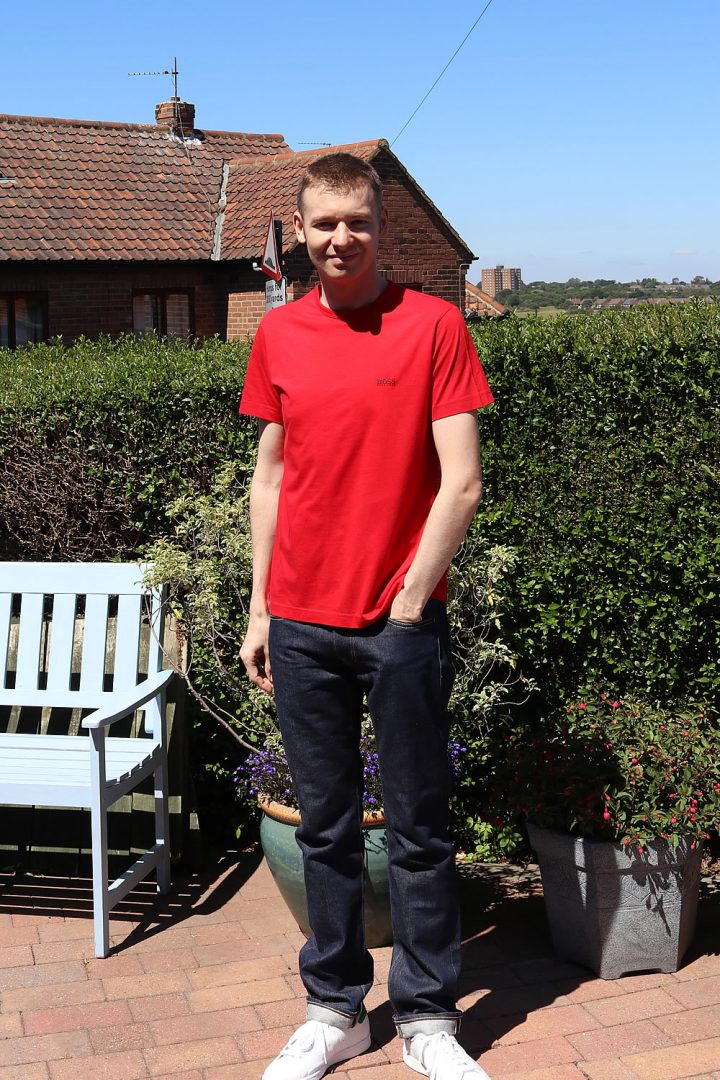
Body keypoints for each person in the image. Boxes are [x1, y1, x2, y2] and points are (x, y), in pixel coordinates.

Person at [239, 153, 494, 1080]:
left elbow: (460, 482)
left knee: (421, 826)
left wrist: (412, 601)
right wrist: (261, 606)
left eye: (356, 221)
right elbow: (269, 476)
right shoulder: (279, 337)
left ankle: (427, 1018)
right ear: (298, 234)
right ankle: (336, 1009)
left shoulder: (434, 325)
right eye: (323, 224)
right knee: (325, 827)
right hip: (301, 623)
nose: (340, 238)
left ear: (381, 227)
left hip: (398, 624)